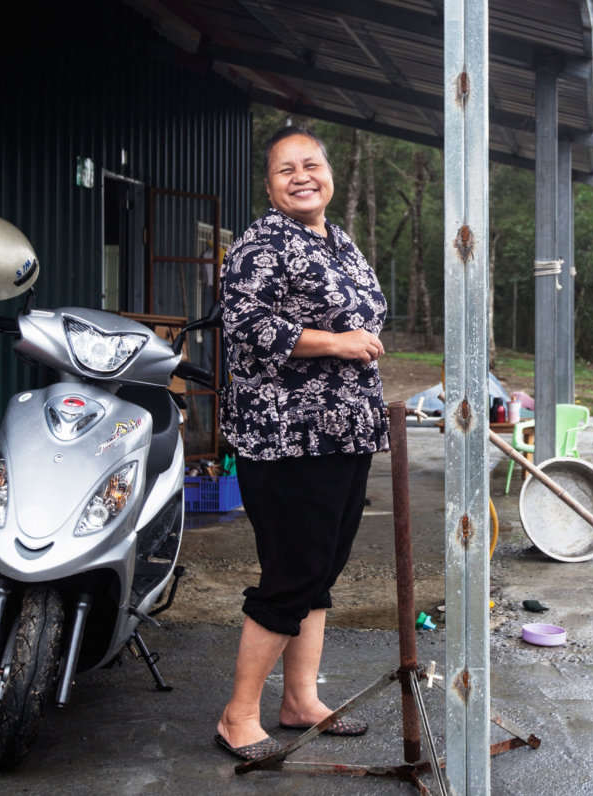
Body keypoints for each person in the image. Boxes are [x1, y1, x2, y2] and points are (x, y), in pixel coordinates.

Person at [213, 126, 390, 761]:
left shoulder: (339, 243)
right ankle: (238, 715)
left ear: (329, 174)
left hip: (344, 430)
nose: (301, 176)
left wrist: (356, 340)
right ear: (269, 187)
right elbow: (244, 322)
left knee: (320, 570)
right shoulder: (261, 244)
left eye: (310, 164)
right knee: (292, 570)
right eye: (285, 170)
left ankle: (300, 700)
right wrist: (335, 342)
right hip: (289, 435)